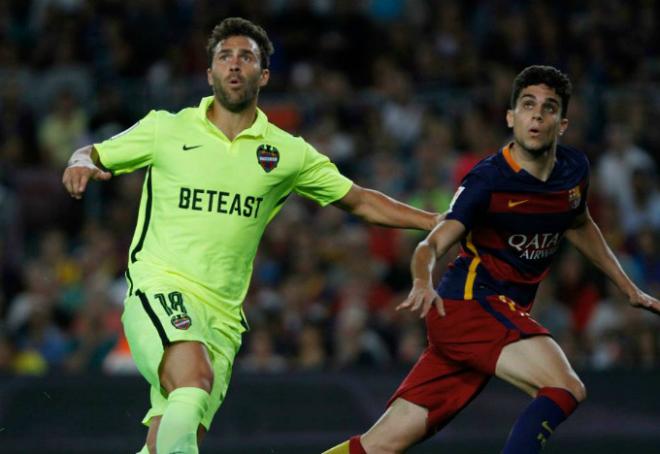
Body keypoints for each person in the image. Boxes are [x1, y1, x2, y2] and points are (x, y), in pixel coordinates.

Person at [61, 17, 439, 454]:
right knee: (193, 381)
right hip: (160, 286)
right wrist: (80, 160)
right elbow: (92, 151)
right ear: (210, 73)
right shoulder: (166, 128)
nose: (234, 65)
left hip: (223, 317)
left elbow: (360, 200)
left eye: (246, 57)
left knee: (174, 432)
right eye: (224, 56)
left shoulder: (286, 152)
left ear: (263, 75)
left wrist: (435, 221)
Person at [324, 65, 660, 454]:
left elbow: (580, 222)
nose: (537, 114)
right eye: (528, 105)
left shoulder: (573, 171)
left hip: (485, 317)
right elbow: (431, 244)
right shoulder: (486, 180)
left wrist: (627, 288)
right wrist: (421, 278)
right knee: (564, 386)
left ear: (562, 123)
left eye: (549, 108)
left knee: (381, 445)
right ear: (510, 117)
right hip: (470, 304)